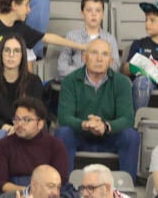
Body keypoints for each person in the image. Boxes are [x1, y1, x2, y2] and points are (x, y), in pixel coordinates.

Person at [54, 38, 140, 178]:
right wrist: (85, 124)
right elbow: (64, 117)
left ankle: (126, 189)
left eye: (105, 54)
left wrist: (105, 126)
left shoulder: (122, 82)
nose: (99, 59)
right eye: (94, 53)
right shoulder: (70, 81)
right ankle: (64, 188)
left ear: (111, 61)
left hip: (110, 137)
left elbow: (127, 118)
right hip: (80, 136)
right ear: (84, 57)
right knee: (62, 132)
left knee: (131, 135)